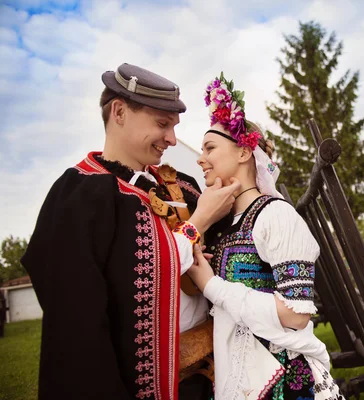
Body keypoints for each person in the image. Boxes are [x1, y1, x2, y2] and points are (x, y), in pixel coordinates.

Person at [21, 63, 239, 400]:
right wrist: (198, 225)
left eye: (174, 127)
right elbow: (77, 311)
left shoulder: (180, 185)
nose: (171, 138)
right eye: (162, 124)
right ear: (119, 112)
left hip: (212, 376)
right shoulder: (77, 196)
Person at [184, 73, 343, 400]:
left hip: (281, 380)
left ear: (244, 152)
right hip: (238, 375)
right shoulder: (227, 225)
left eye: (210, 147)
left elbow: (296, 314)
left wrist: (211, 284)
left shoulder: (276, 215)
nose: (201, 158)